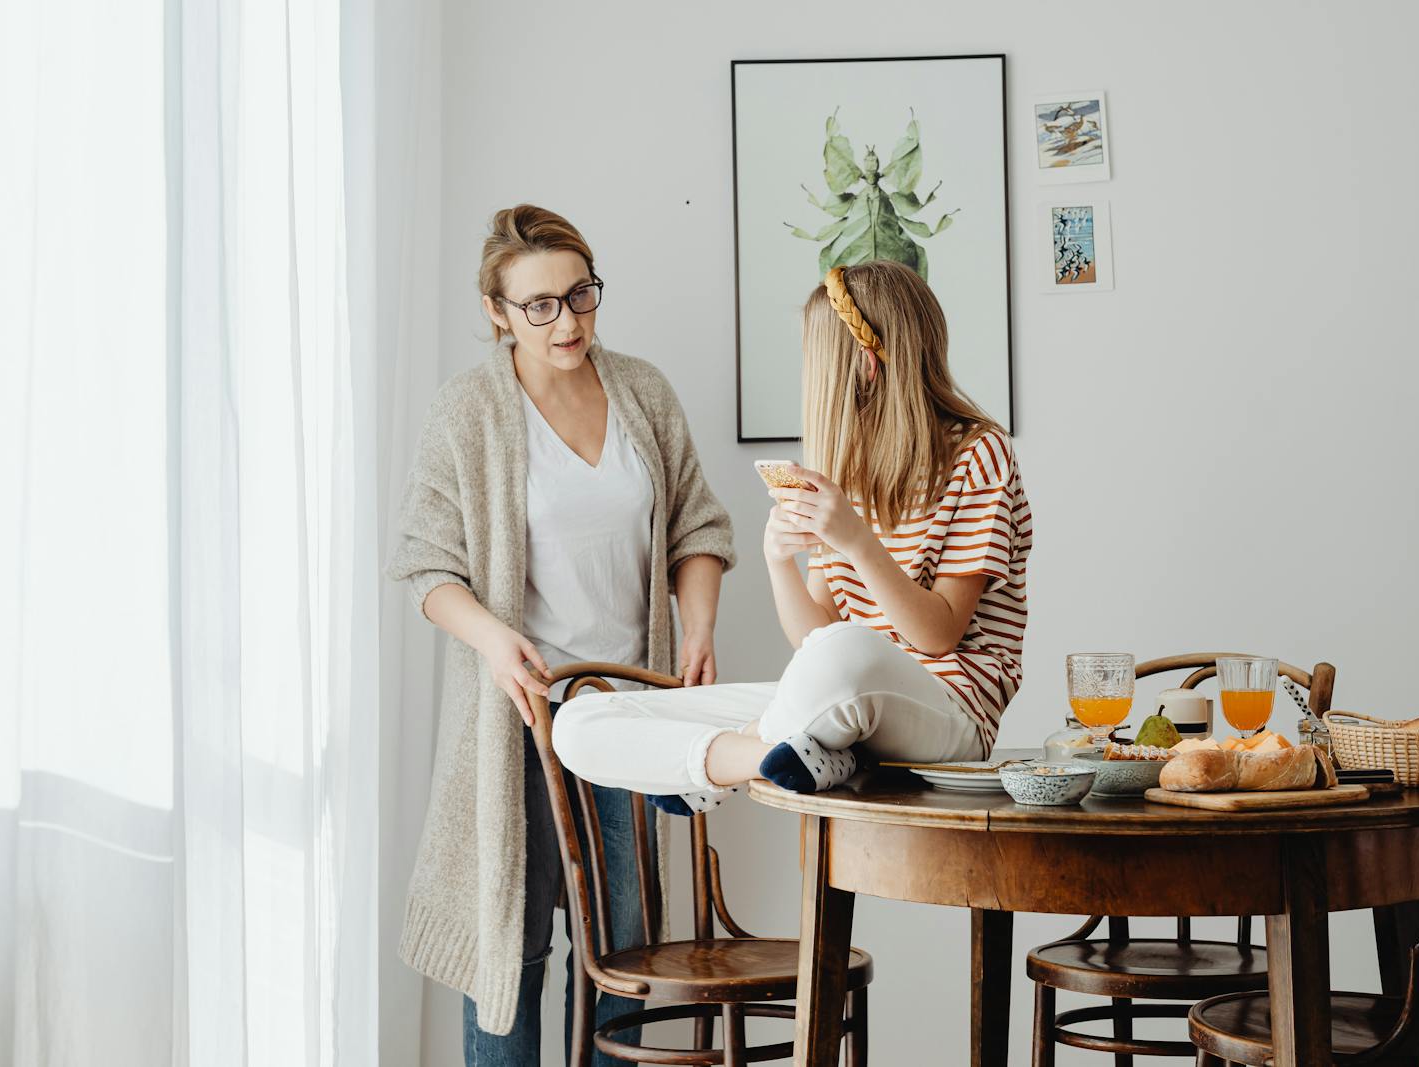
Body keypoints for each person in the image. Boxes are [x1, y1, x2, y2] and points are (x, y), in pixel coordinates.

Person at [387, 204, 735, 1066]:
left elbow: (699, 526)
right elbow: (427, 567)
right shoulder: (469, 410)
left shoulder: (642, 391)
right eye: (539, 304)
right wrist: (496, 639)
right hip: (519, 722)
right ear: (496, 310)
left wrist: (696, 628)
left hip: (631, 721)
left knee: (624, 952)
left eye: (581, 295)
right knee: (513, 952)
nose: (568, 321)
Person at [552, 260, 1030, 813]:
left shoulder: (979, 453)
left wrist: (854, 541)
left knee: (842, 652)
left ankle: (709, 765)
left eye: (815, 360)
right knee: (580, 720)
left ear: (865, 366)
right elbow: (814, 635)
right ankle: (768, 757)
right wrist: (777, 560)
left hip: (949, 712)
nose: (808, 377)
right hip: (845, 705)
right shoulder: (843, 467)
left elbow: (937, 635)